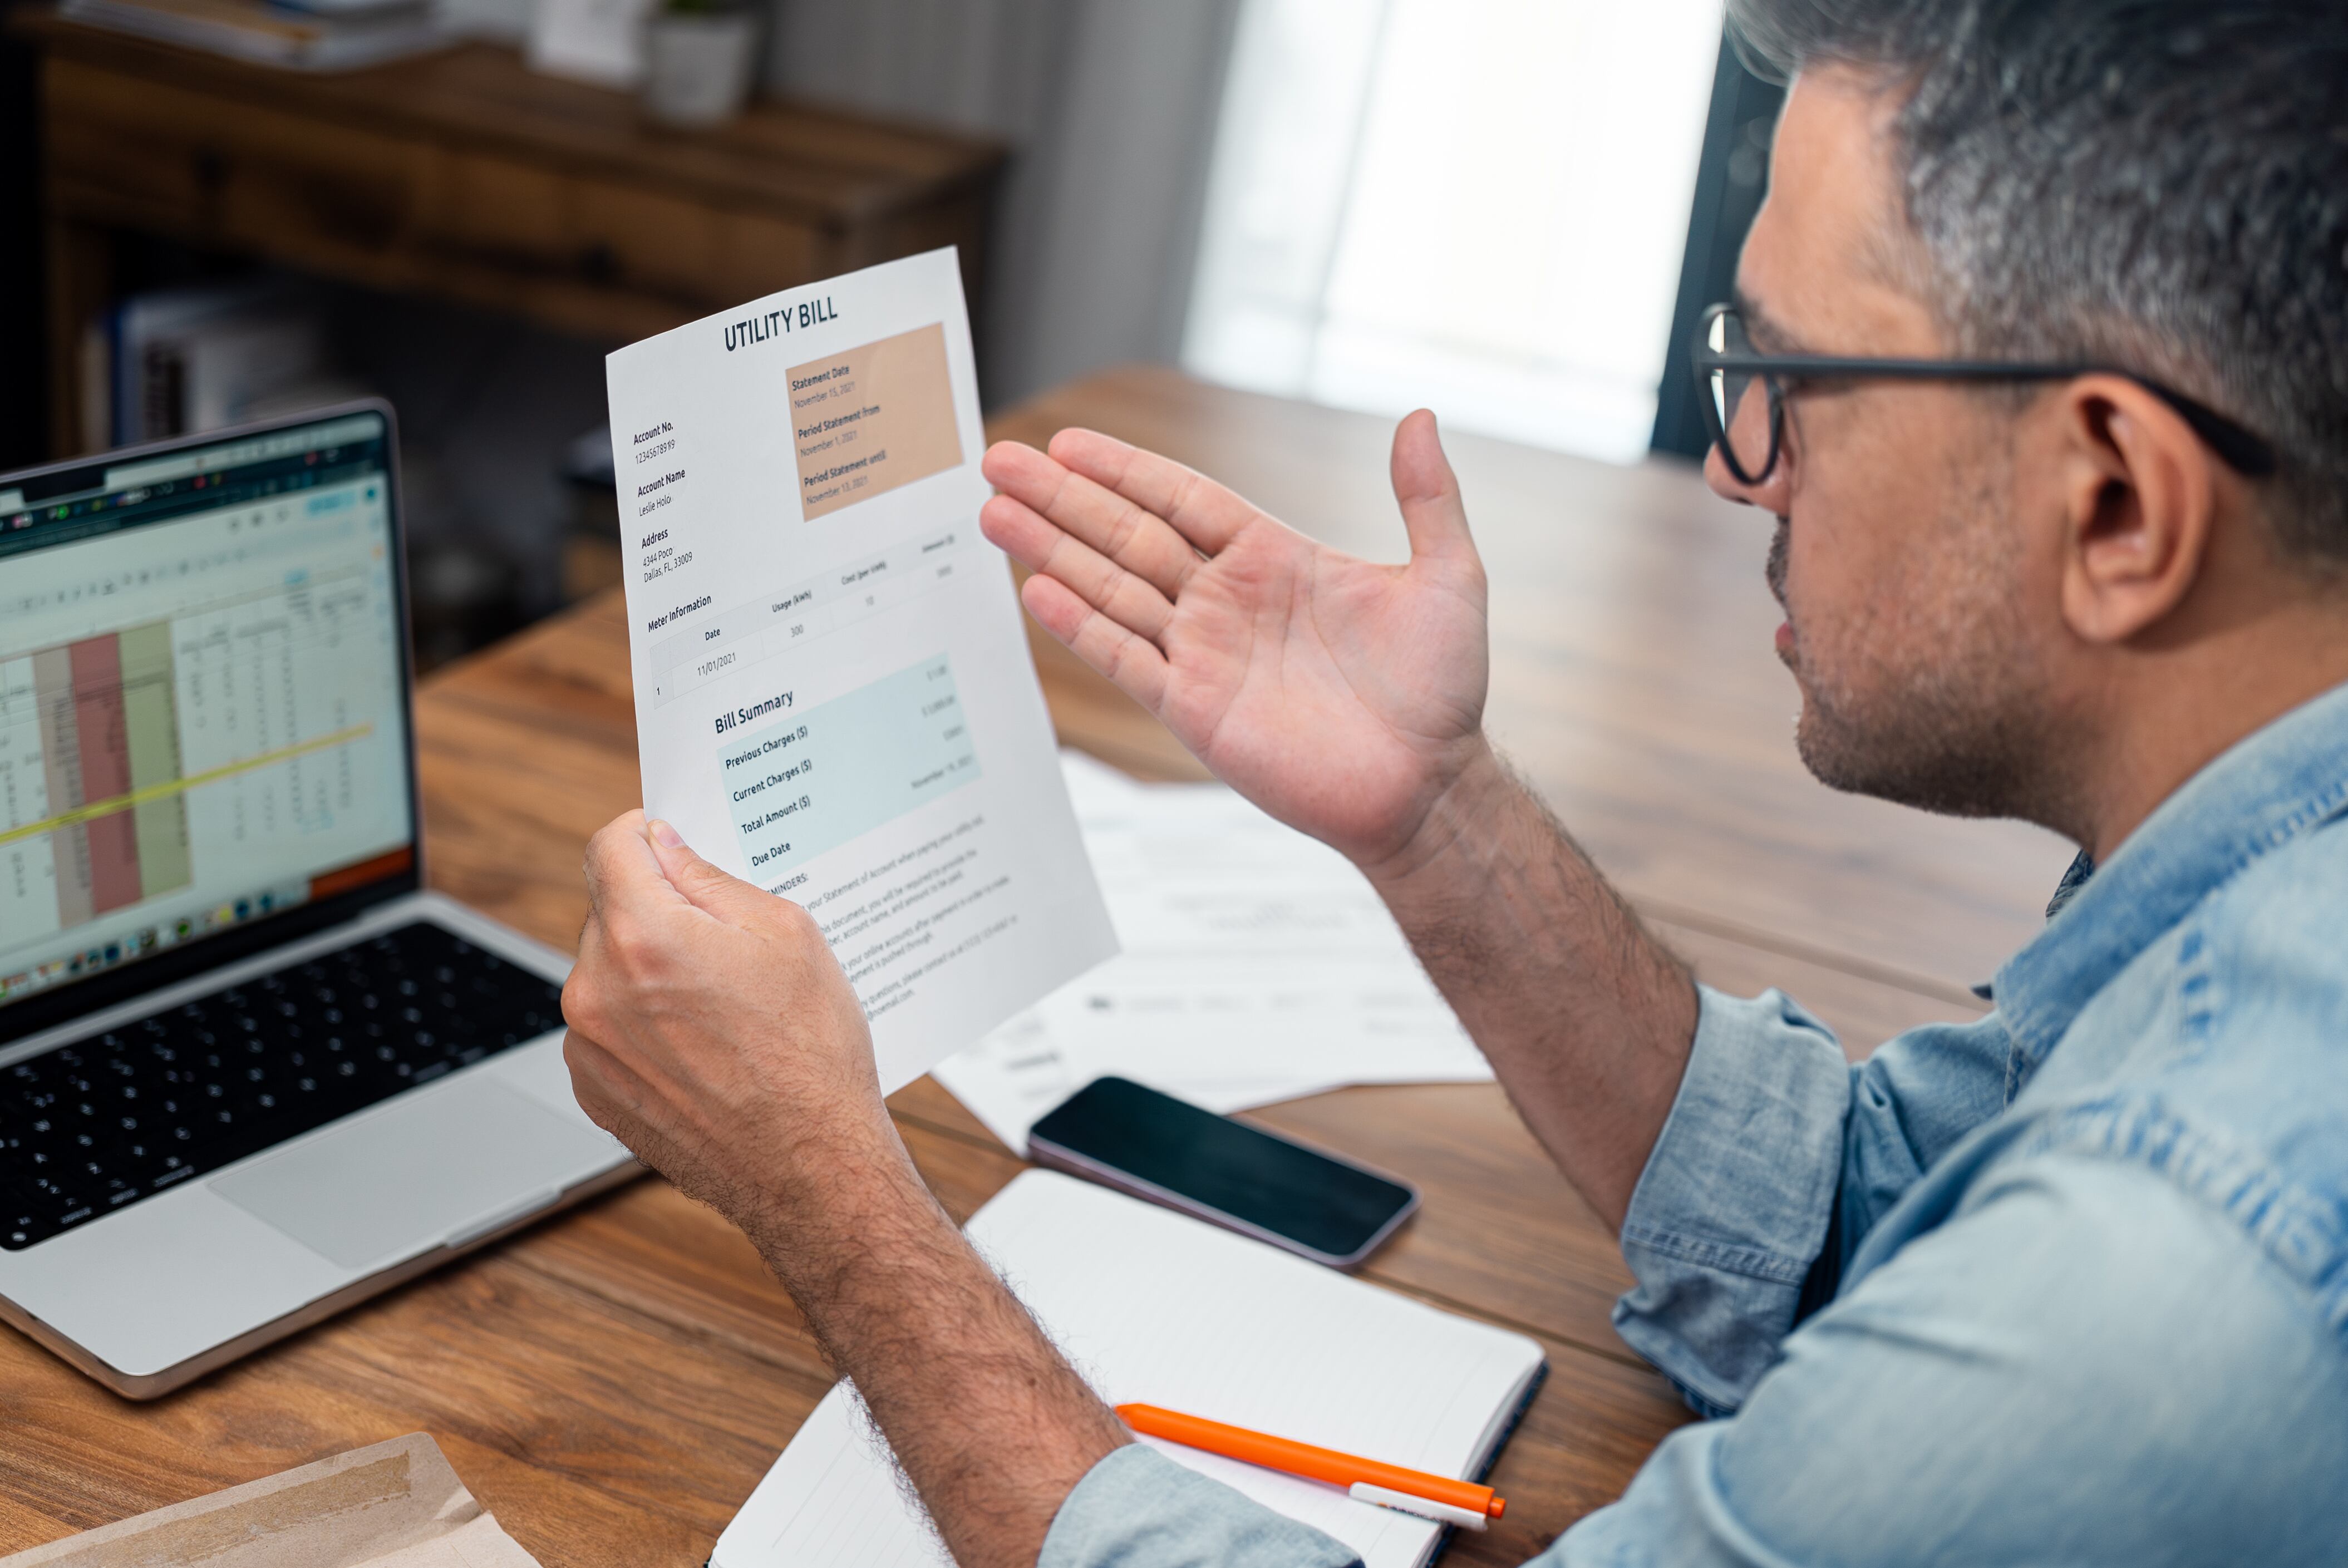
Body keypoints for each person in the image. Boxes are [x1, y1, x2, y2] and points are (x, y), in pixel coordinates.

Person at [555, 1, 2348, 1562]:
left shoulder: (2178, 1262)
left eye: (1789, 377)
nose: (1744, 472)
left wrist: (822, 1177)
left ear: (2114, 496)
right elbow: (1858, 1219)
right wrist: (1435, 812)